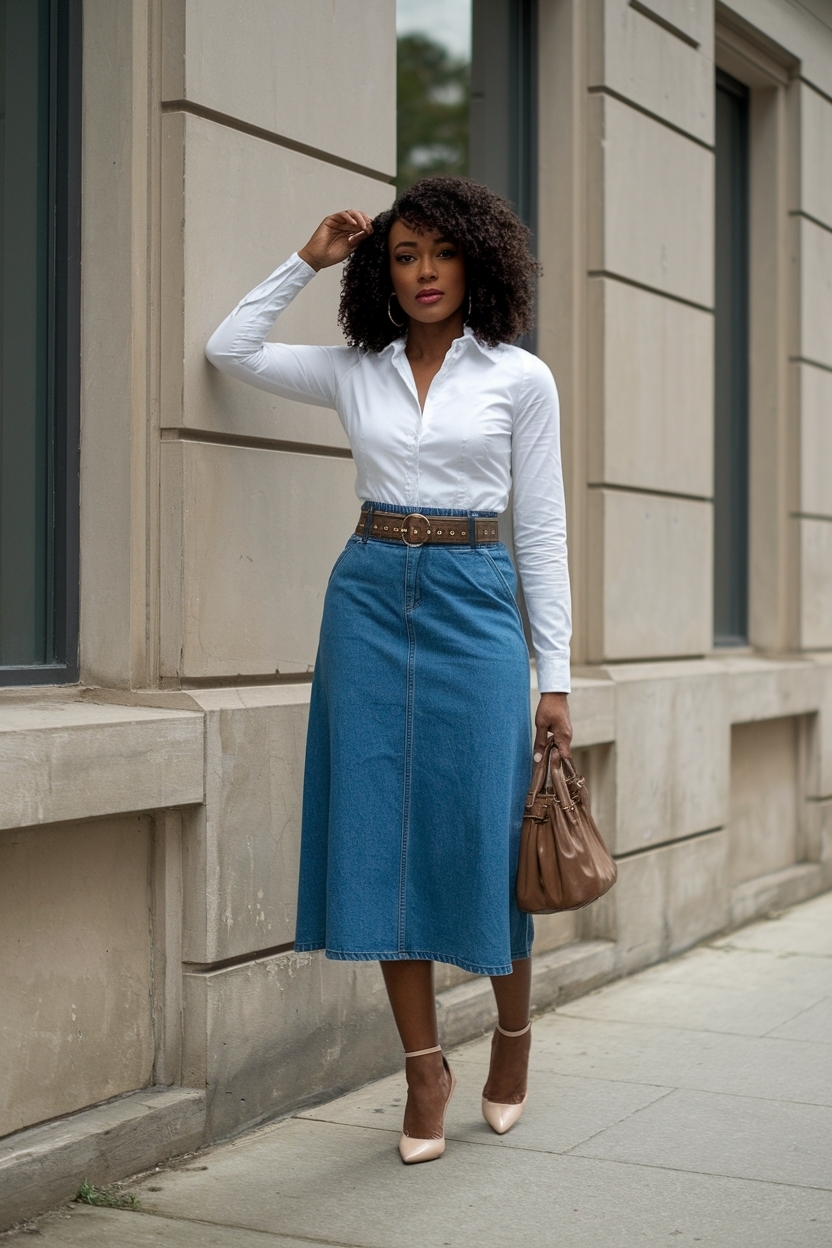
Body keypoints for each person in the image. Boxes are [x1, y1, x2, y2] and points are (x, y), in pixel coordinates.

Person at [206, 176, 573, 1164]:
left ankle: (510, 1035)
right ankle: (422, 1068)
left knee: (484, 833)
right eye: (404, 255)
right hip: (370, 598)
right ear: (384, 267)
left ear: (475, 263)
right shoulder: (355, 368)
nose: (422, 274)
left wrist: (556, 676)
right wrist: (305, 259)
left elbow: (540, 530)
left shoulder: (516, 379)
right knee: (381, 829)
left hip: (475, 598)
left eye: (440, 254)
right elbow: (228, 350)